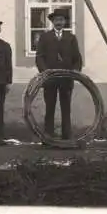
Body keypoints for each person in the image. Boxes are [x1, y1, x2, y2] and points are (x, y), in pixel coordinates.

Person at [35, 9, 83, 140]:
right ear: (52, 22)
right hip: (50, 80)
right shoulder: (45, 37)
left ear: (65, 22)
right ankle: (48, 136)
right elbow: (39, 57)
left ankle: (66, 136)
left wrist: (74, 72)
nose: (59, 23)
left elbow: (77, 58)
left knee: (66, 108)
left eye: (61, 20)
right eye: (56, 20)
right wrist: (45, 72)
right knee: (49, 108)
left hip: (66, 80)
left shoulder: (71, 38)